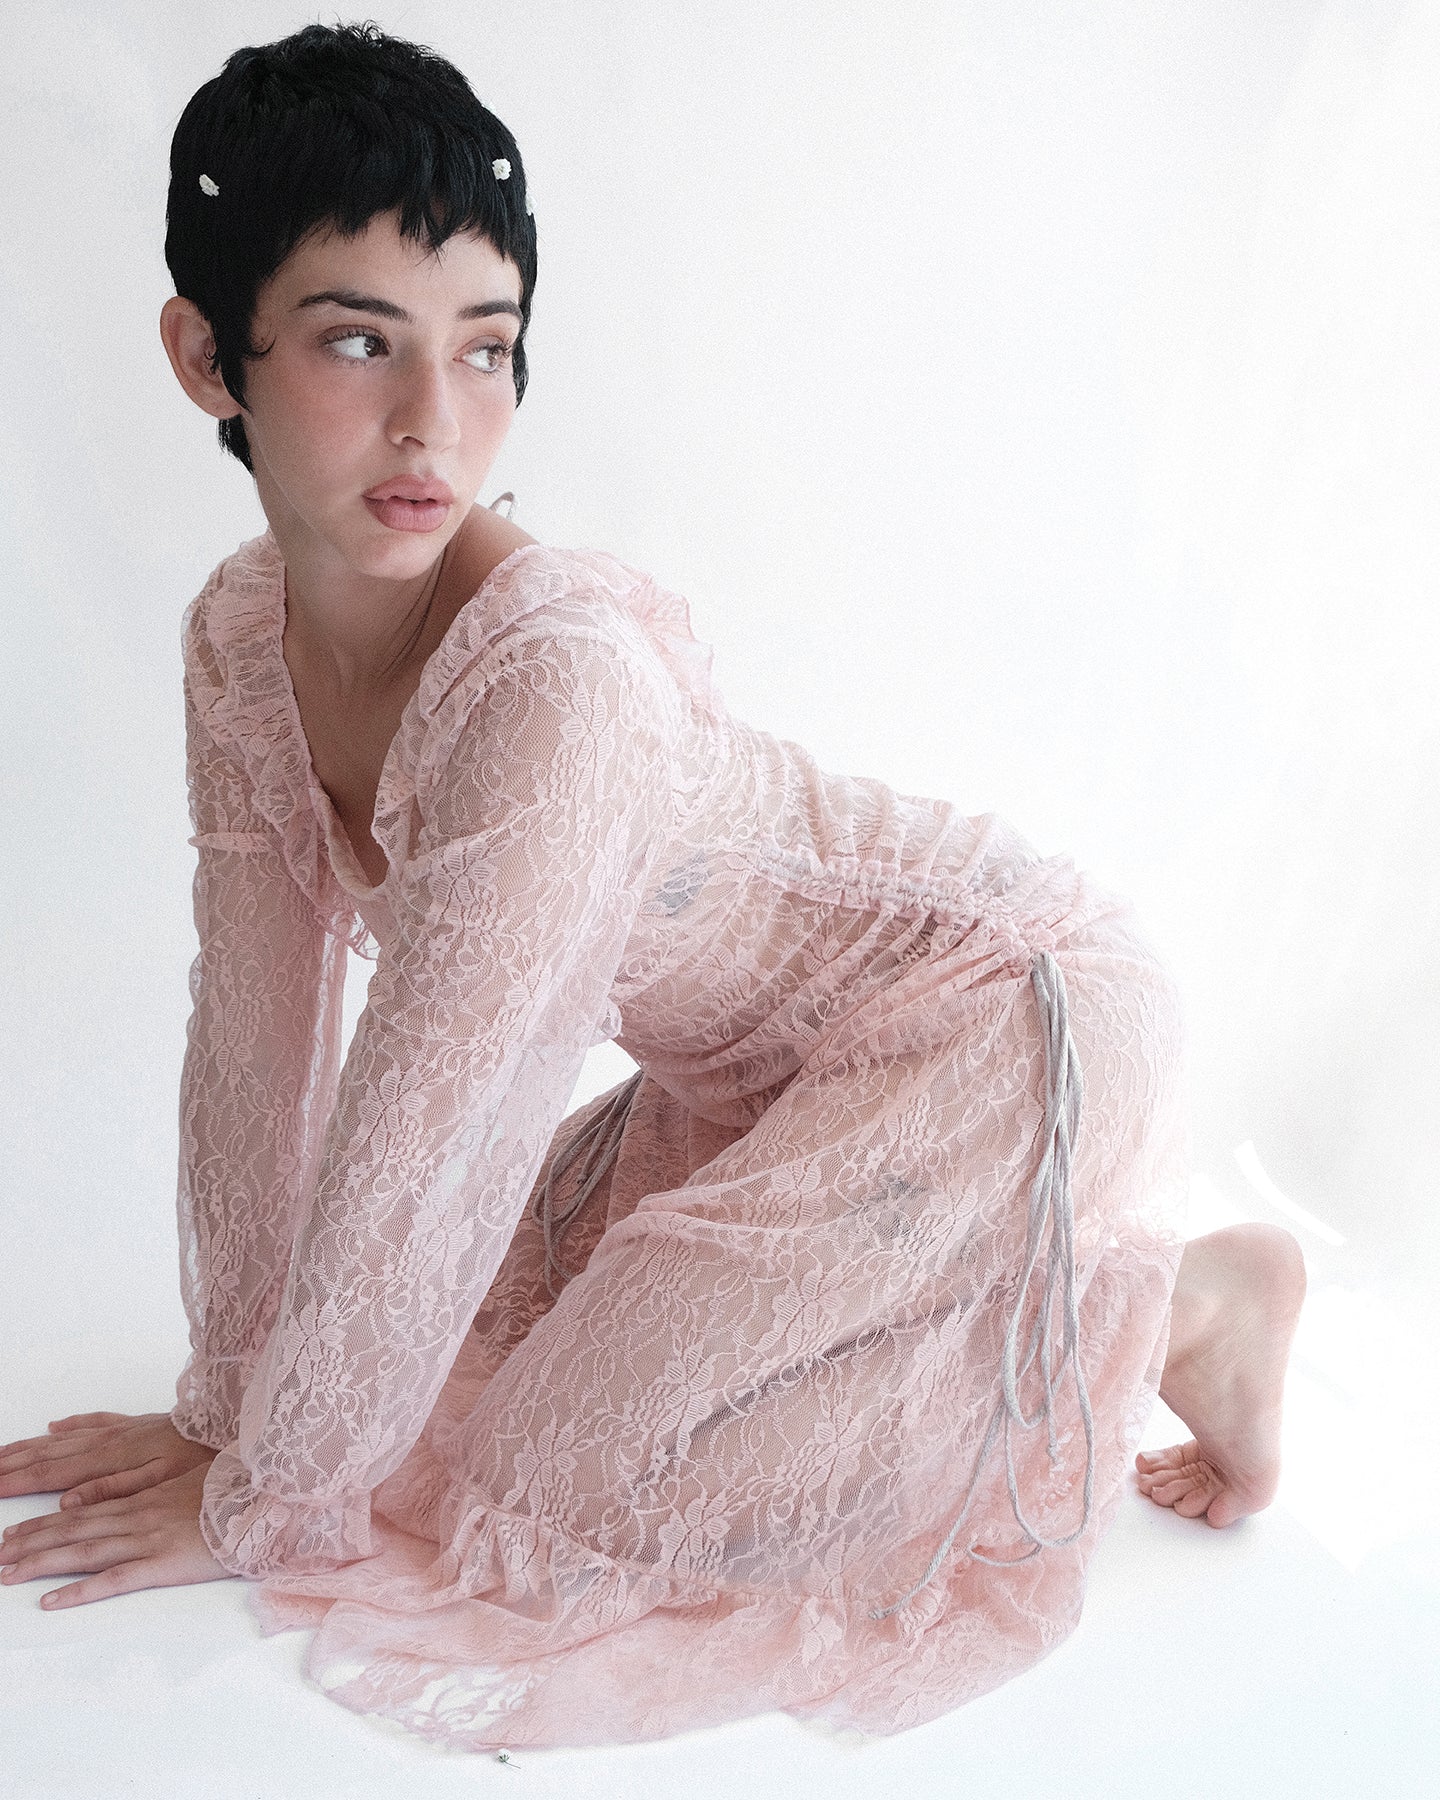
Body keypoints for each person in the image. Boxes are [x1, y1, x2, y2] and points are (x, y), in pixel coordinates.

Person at [0, 21, 1306, 1751]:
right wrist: (229, 1414)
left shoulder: (556, 683)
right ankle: (962, 1291)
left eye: (487, 349)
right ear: (205, 354)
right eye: (357, 340)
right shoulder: (241, 639)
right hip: (740, 1083)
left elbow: (436, 1122)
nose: (433, 420)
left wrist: (271, 1502)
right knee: (448, 1367)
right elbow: (253, 1044)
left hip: (999, 1019)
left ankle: (1177, 1308)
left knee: (567, 1486)